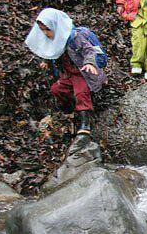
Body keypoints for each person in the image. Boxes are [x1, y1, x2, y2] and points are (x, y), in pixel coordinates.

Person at [24, 8, 106, 137]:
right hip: (67, 74)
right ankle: (69, 109)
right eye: (43, 30)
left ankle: (85, 121)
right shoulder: (53, 39)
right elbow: (51, 50)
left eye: (48, 30)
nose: (45, 33)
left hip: (81, 72)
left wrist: (89, 63)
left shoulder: (74, 37)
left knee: (81, 93)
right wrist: (46, 61)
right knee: (57, 89)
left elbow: (89, 51)